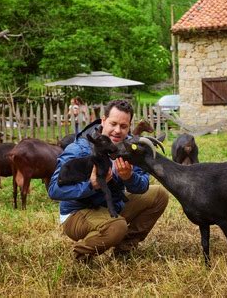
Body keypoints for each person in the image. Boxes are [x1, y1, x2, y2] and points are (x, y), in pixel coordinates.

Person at [48, 99, 169, 262]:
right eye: (113, 123)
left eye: (124, 126)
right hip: (78, 212)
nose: (118, 130)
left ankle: (124, 250)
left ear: (130, 126)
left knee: (159, 195)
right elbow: (54, 190)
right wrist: (91, 185)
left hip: (111, 204)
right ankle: (81, 255)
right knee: (117, 226)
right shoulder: (79, 148)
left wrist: (129, 177)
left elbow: (142, 186)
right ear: (103, 120)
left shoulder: (130, 147)